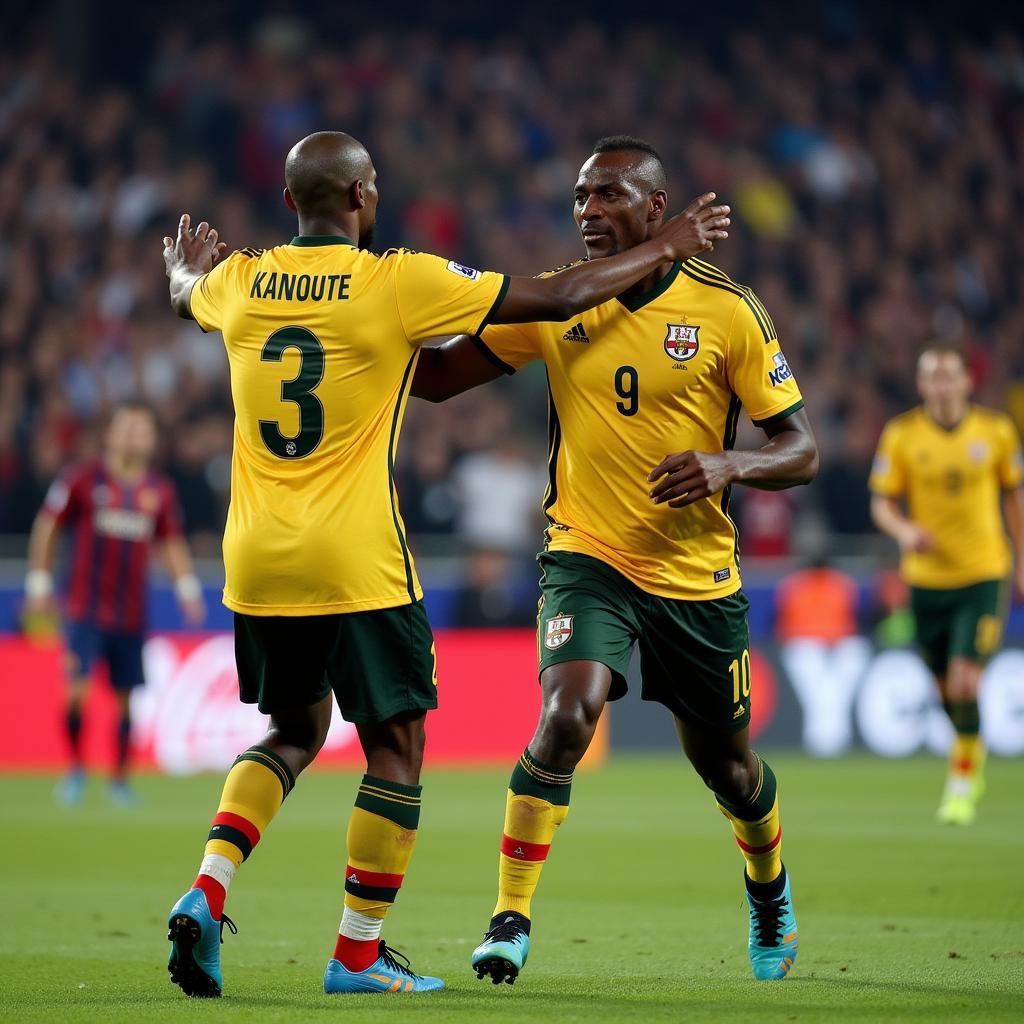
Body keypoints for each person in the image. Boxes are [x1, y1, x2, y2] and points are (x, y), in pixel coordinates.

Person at [160, 130, 731, 998]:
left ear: (290, 203)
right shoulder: (397, 280)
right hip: (355, 558)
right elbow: (562, 294)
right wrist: (668, 244)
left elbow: (186, 295)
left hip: (256, 555)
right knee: (395, 746)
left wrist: (181, 275)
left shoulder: (237, 280)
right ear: (360, 197)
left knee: (290, 732)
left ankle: (208, 885)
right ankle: (357, 952)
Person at [411, 136, 818, 983]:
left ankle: (768, 887)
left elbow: (801, 447)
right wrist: (367, 329)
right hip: (586, 555)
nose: (588, 212)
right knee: (567, 716)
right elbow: (441, 380)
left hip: (696, 575)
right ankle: (509, 917)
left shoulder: (729, 311)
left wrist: (728, 464)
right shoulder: (564, 301)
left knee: (732, 770)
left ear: (656, 209)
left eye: (608, 196)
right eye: (579, 198)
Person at [870, 345, 1024, 825]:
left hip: (982, 573)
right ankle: (968, 747)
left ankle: (962, 779)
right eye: (932, 377)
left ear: (967, 382)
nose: (941, 384)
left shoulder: (996, 432)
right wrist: (905, 531)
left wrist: (1021, 559)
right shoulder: (901, 435)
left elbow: (1014, 496)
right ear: (921, 386)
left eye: (949, 376)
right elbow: (882, 503)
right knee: (943, 688)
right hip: (926, 580)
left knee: (965, 679)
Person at [24, 401, 205, 804]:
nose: (133, 436)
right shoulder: (82, 480)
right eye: (126, 428)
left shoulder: (159, 491)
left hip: (130, 614)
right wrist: (38, 582)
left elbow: (171, 542)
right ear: (110, 434)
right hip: (83, 610)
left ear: (153, 440)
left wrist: (187, 589)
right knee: (77, 692)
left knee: (126, 703)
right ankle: (74, 768)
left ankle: (119, 778)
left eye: (141, 430)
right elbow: (47, 527)